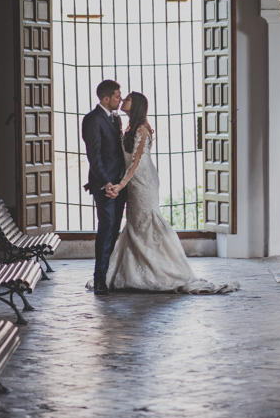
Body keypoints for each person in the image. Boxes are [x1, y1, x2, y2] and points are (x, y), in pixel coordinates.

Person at [100, 91, 238, 294]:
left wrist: (120, 185)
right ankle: (135, 271)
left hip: (143, 178)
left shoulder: (142, 129)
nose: (122, 101)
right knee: (135, 221)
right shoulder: (127, 126)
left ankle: (163, 270)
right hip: (131, 180)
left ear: (136, 104)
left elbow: (136, 162)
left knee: (148, 219)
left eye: (127, 99)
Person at [81, 79, 127, 296]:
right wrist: (106, 183)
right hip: (105, 185)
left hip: (120, 184)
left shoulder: (115, 119)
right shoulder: (92, 120)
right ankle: (100, 280)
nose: (121, 99)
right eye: (118, 96)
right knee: (106, 230)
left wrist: (120, 183)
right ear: (106, 98)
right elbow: (94, 155)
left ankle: (108, 275)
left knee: (114, 229)